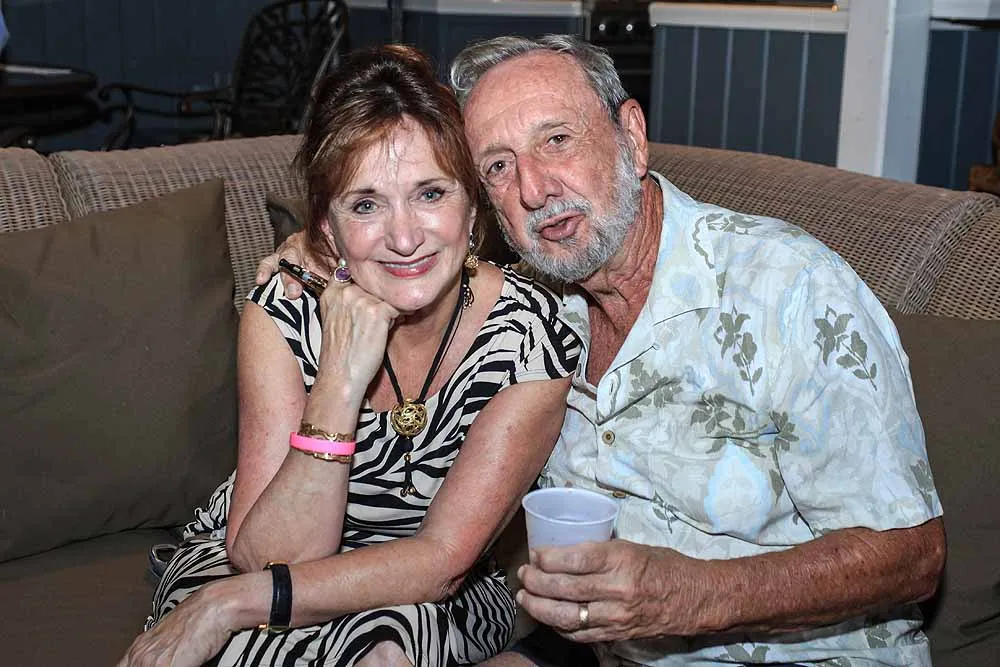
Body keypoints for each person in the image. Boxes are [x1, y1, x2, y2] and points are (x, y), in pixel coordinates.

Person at [262, 34, 947, 666]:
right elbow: (407, 252)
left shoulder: (787, 288)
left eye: (557, 140)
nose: (535, 188)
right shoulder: (529, 311)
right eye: (499, 166)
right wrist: (322, 251)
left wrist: (695, 592)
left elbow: (913, 554)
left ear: (632, 138)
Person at [118, 44, 581, 667]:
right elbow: (264, 556)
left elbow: (440, 562)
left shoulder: (530, 341)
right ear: (327, 230)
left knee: (384, 648)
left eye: (430, 194)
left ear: (473, 208)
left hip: (429, 584)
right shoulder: (285, 310)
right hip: (253, 557)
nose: (404, 237)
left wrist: (225, 605)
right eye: (366, 204)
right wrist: (338, 379)